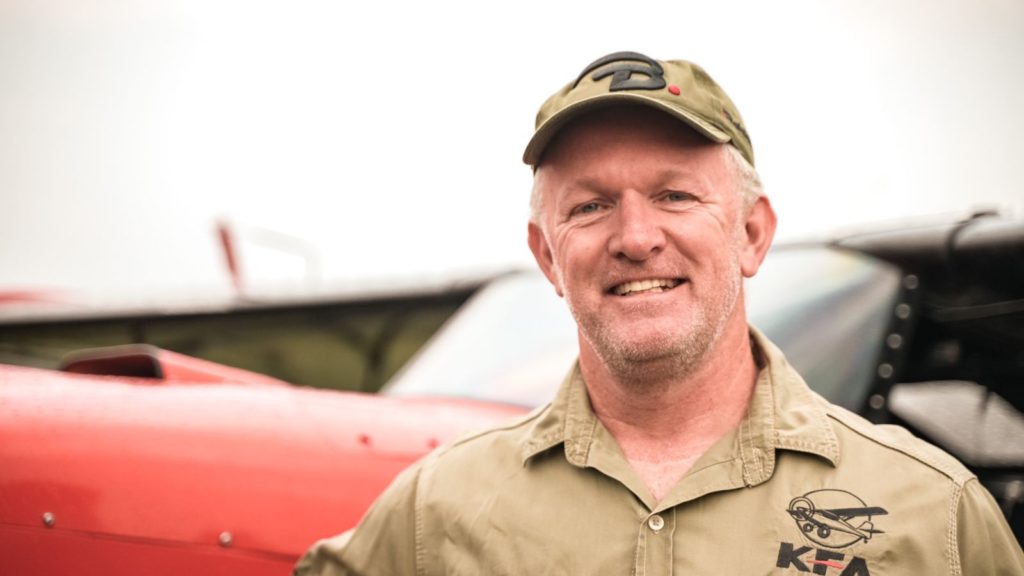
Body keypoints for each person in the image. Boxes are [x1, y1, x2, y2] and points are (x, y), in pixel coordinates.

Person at [295, 51, 1023, 575]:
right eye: (590, 206)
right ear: (547, 256)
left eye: (676, 195)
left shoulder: (938, 517)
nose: (637, 238)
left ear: (750, 233)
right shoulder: (431, 516)